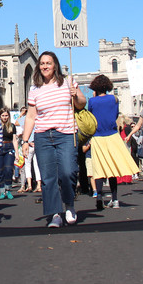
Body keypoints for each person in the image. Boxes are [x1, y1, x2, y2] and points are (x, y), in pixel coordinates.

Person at [22, 51, 86, 229]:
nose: (44, 66)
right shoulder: (34, 88)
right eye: (42, 63)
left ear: (55, 65)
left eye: (48, 63)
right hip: (43, 136)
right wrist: (25, 141)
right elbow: (31, 116)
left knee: (68, 172)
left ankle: (69, 205)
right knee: (48, 178)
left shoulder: (67, 82)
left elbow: (81, 103)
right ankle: (55, 214)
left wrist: (75, 95)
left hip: (66, 134)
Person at [87, 75, 138, 210]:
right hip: (112, 135)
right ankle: (115, 199)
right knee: (112, 168)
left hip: (97, 136)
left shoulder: (92, 101)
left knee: (99, 168)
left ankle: (99, 196)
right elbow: (115, 115)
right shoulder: (114, 99)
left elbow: (91, 117)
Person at [0, 109, 16, 200]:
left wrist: (17, 154)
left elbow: (14, 140)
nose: (5, 117)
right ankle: (2, 191)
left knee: (8, 169)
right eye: (3, 115)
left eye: (6, 115)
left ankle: (8, 189)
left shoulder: (12, 126)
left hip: (9, 147)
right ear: (0, 116)